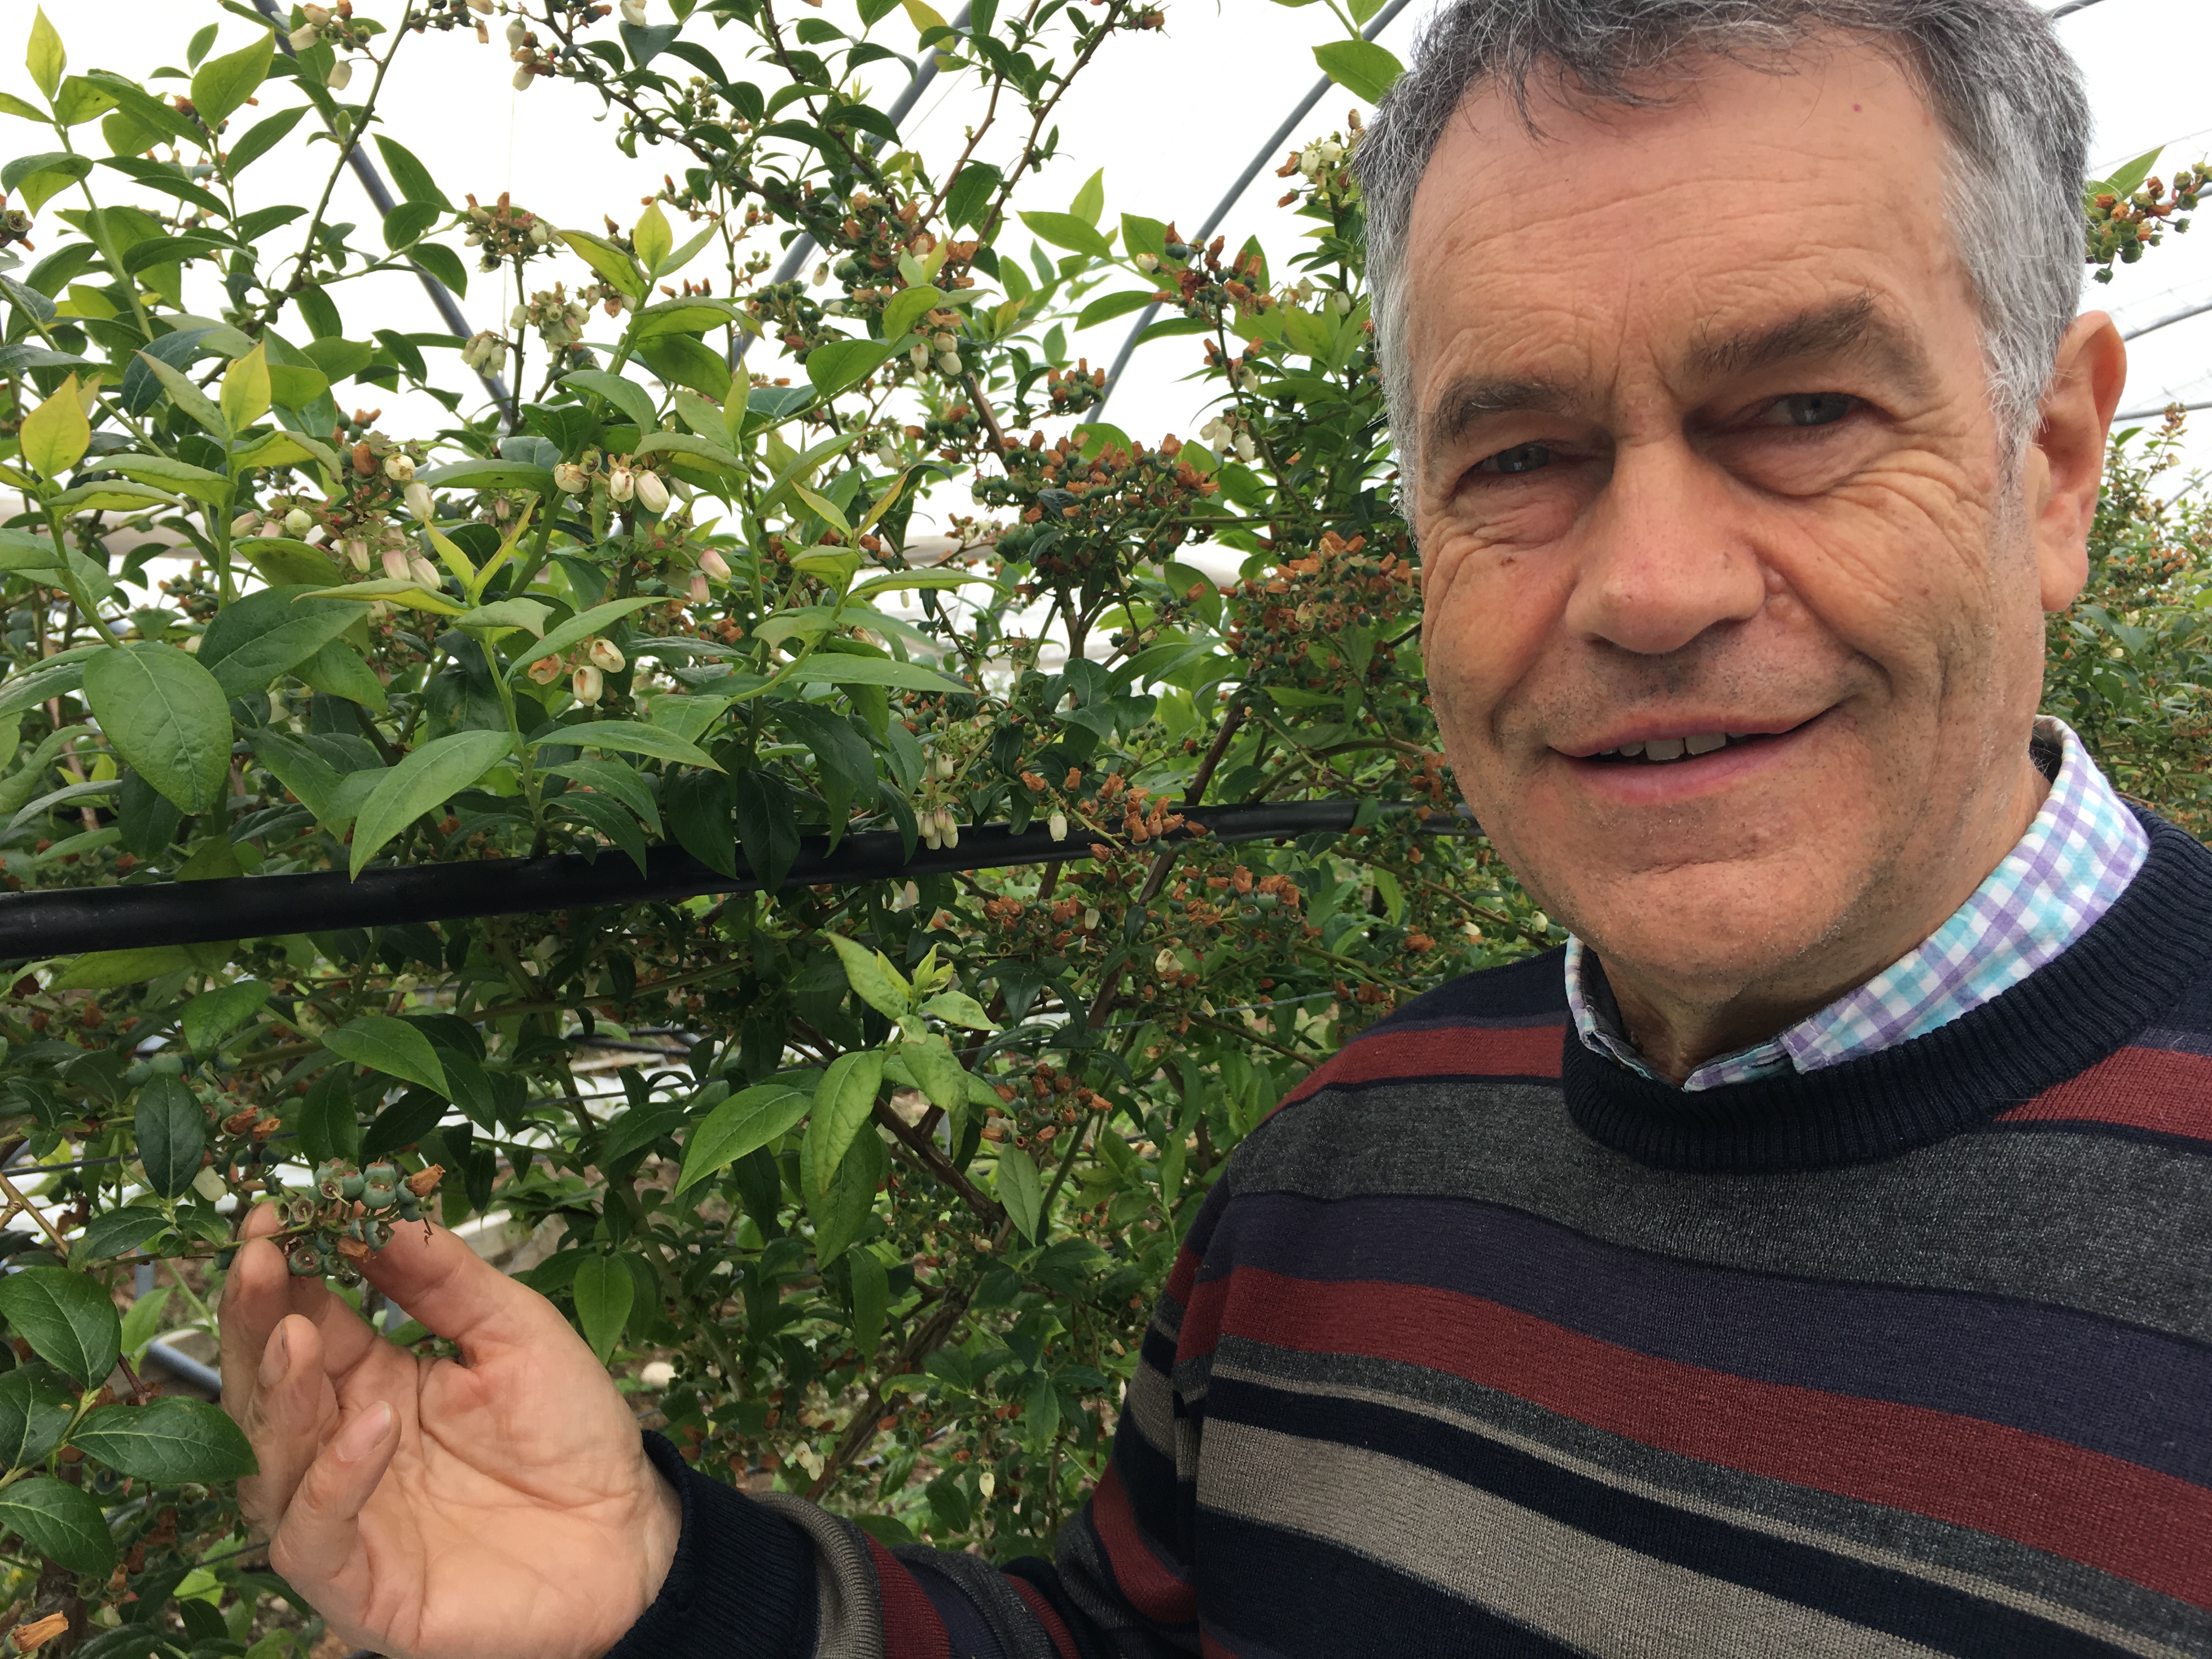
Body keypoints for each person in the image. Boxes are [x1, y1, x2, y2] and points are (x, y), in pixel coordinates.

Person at [220, 0, 2212, 1653]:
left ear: (2051, 465)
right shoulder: (1361, 1149)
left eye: (1802, 413)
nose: (1650, 585)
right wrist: (667, 1594)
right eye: (1520, 455)